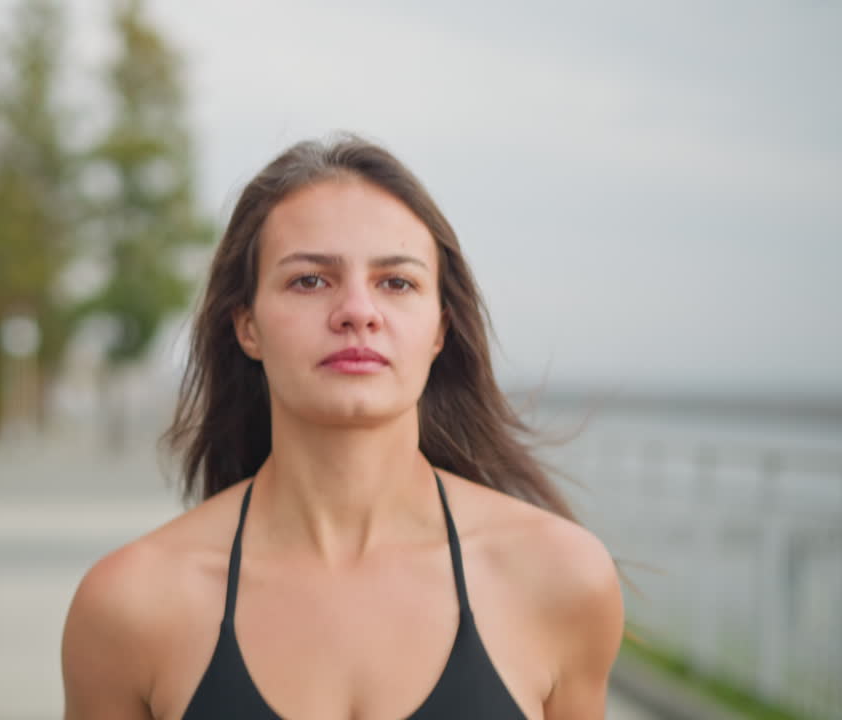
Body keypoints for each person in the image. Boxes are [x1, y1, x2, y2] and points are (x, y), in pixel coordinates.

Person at [61, 135, 624, 719]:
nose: (358, 310)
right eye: (310, 280)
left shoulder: (561, 579)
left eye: (396, 282)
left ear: (439, 329)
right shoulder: (131, 605)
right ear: (246, 325)